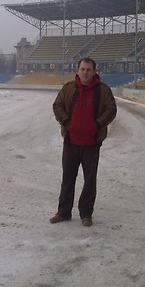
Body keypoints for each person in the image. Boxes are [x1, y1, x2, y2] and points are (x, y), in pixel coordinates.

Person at [51, 57, 117, 227]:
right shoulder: (68, 88)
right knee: (68, 178)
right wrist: (66, 122)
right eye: (83, 69)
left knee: (89, 181)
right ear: (77, 71)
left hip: (92, 144)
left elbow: (111, 109)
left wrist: (98, 124)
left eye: (89, 69)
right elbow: (57, 106)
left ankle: (86, 214)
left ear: (94, 71)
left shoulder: (103, 90)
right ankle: (63, 212)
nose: (85, 72)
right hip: (71, 142)